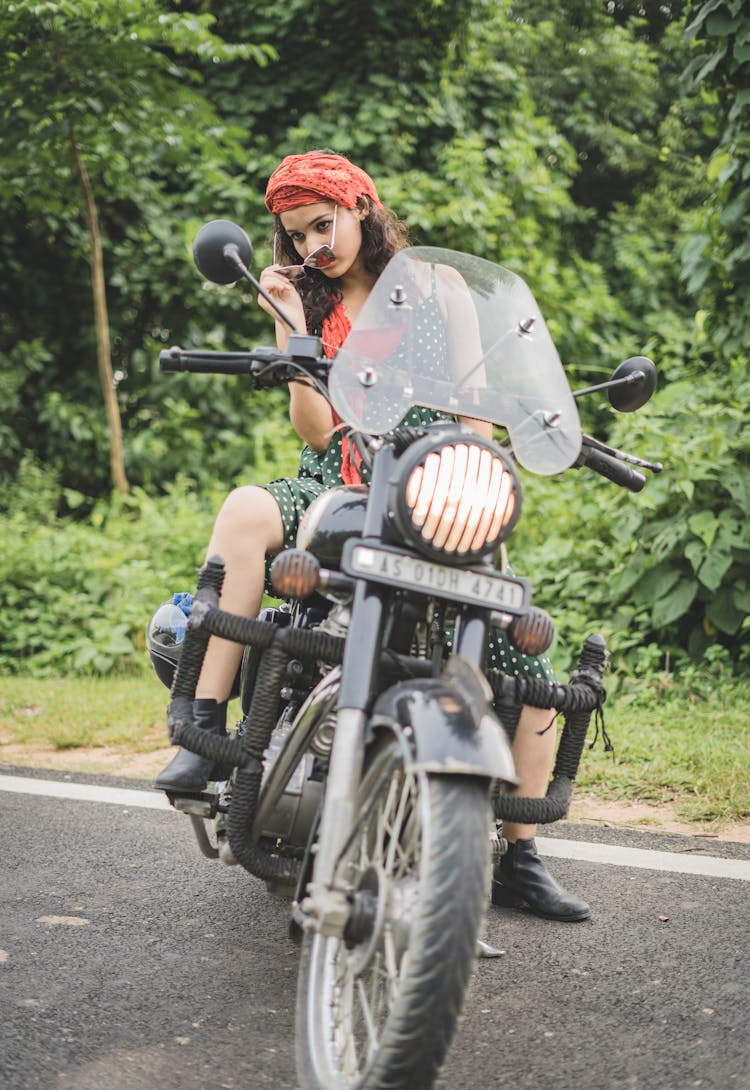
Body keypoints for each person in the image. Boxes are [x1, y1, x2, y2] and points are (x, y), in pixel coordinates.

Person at [154, 150, 589, 923]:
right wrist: (292, 330)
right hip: (343, 486)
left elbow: (474, 414)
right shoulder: (308, 303)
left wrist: (473, 484)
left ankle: (520, 854)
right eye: (297, 236)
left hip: (433, 489)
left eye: (325, 224)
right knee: (246, 510)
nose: (315, 245)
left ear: (361, 206)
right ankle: (204, 728)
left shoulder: (436, 289)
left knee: (524, 653)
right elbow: (318, 433)